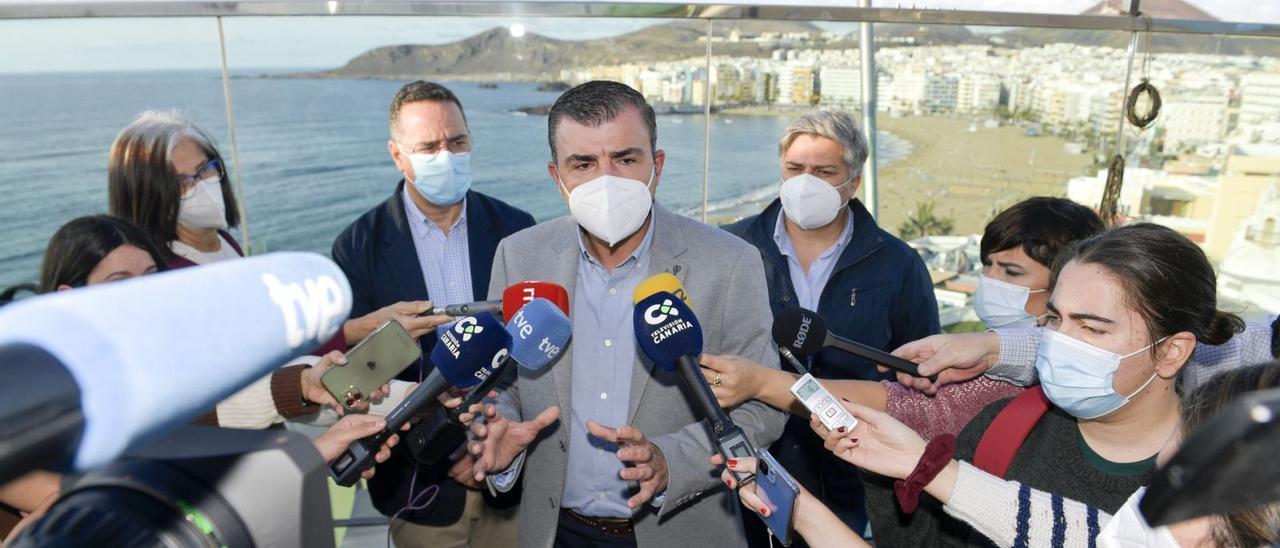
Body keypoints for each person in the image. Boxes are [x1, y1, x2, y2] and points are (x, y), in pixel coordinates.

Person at [465, 80, 787, 548]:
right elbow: (507, 380)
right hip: (555, 532)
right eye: (583, 164)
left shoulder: (729, 262)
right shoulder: (519, 256)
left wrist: (673, 460)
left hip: (681, 532)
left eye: (625, 159)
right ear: (557, 177)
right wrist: (500, 424)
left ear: (657, 166)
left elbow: (763, 407)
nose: (607, 180)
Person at [0, 215, 400, 541]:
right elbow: (120, 496)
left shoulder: (155, 368)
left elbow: (205, 413)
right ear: (69, 295)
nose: (143, 295)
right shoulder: (29, 397)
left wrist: (307, 402)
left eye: (150, 277)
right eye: (120, 284)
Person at [846, 223, 1242, 546]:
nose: (1058, 343)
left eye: (1091, 328)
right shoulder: (1008, 427)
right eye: (1054, 319)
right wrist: (887, 471)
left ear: (1171, 351)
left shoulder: (1223, 490)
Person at [720, 359, 1280, 548]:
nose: (1161, 465)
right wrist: (797, 506)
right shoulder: (1133, 535)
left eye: (1184, 460)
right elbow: (1053, 525)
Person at [702, 197, 1105, 441]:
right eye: (988, 265)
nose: (990, 280)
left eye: (1012, 272)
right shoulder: (987, 353)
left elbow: (891, 405)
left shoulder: (1053, 373)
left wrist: (762, 382)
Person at [331, 80, 536, 547]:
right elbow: (355, 375)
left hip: (508, 473)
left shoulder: (517, 229)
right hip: (418, 487)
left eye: (457, 142)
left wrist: (486, 438)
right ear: (397, 154)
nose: (446, 156)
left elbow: (534, 348)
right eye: (428, 147)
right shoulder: (357, 247)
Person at [720, 109, 940, 538]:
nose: (806, 182)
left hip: (851, 475)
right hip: (745, 465)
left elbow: (920, 374)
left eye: (824, 172)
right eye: (795, 168)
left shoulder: (898, 264)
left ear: (853, 182)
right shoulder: (730, 248)